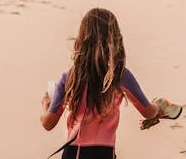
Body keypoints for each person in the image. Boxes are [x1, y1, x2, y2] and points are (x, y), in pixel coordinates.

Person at [40, 8, 165, 159]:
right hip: (104, 153)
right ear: (115, 39)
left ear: (81, 39)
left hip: (73, 153)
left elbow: (48, 123)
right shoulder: (120, 75)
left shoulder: (69, 77)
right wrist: (159, 106)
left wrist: (46, 106)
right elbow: (148, 112)